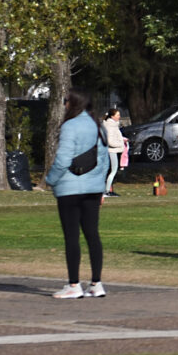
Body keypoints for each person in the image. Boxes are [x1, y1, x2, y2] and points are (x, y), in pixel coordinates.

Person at [44, 89, 111, 299]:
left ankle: (74, 284)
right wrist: (101, 187)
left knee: (72, 236)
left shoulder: (69, 126)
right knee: (92, 234)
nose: (64, 104)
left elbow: (63, 159)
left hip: (69, 188)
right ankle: (96, 283)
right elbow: (104, 160)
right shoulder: (98, 125)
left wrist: (50, 180)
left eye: (66, 101)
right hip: (92, 187)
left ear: (72, 103)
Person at [103, 109, 125, 197]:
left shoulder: (113, 125)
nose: (119, 117)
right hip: (112, 151)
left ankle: (107, 190)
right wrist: (121, 143)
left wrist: (122, 139)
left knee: (111, 170)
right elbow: (110, 141)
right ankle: (107, 191)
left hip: (114, 150)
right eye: (117, 115)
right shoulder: (110, 126)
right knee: (113, 170)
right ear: (112, 116)